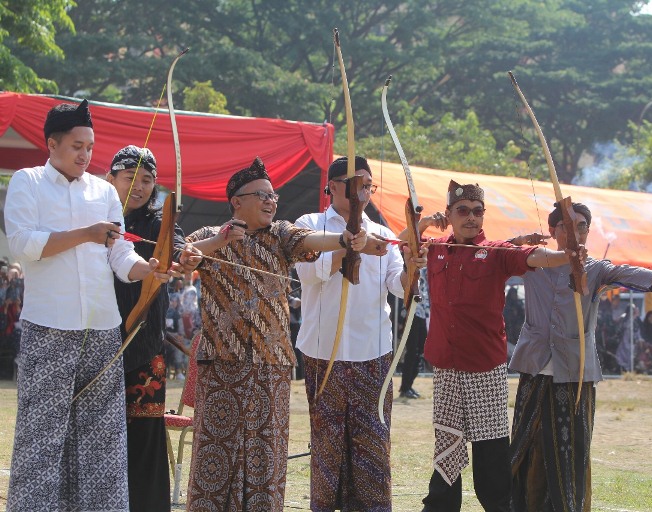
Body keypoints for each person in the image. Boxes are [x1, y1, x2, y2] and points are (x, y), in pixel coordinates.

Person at [4, 99, 176, 511]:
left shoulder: (102, 192)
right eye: (77, 145)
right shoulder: (27, 182)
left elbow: (119, 257)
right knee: (41, 436)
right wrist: (86, 233)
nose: (85, 154)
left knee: (102, 437)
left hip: (101, 329)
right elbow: (25, 244)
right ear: (52, 143)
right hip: (49, 327)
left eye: (89, 146)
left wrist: (146, 270)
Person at [184, 157, 382, 511]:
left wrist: (343, 237)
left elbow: (312, 240)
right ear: (236, 202)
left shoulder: (281, 234)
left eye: (273, 196)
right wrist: (220, 239)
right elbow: (184, 257)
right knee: (216, 453)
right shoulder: (207, 237)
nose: (270, 201)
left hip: (271, 366)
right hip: (222, 366)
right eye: (261, 195)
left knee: (267, 455)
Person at [406, 181, 585, 512]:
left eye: (477, 211)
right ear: (450, 214)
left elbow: (533, 258)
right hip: (445, 365)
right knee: (447, 442)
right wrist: (423, 223)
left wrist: (565, 256)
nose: (471, 218)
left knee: (491, 452)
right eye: (463, 211)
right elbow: (404, 243)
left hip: (484, 367)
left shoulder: (496, 251)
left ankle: (500, 507)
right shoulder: (435, 249)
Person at [508, 201, 652, 512]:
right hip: (534, 365)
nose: (575, 232)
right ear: (552, 231)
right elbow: (497, 254)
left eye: (582, 226)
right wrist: (520, 242)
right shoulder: (530, 262)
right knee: (526, 443)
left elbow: (626, 273)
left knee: (570, 446)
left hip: (574, 369)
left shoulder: (595, 268)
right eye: (566, 226)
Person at [294, 155, 425, 511]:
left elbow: (399, 287)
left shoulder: (382, 234)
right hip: (325, 351)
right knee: (328, 441)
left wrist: (412, 266)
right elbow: (311, 273)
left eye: (368, 185)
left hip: (373, 353)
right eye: (355, 184)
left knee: (373, 441)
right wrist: (346, 244)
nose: (363, 191)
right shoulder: (310, 223)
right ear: (334, 187)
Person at [106, 144, 201, 511]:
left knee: (145, 435)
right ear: (111, 177)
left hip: (144, 347)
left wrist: (185, 256)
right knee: (100, 437)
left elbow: (176, 247)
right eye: (131, 178)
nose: (139, 186)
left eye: (147, 180)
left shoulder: (159, 223)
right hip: (99, 343)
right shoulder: (97, 218)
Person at [399, 266, 430, 399]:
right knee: (412, 351)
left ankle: (409, 385)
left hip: (423, 314)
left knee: (420, 350)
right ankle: (405, 387)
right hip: (413, 313)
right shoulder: (420, 270)